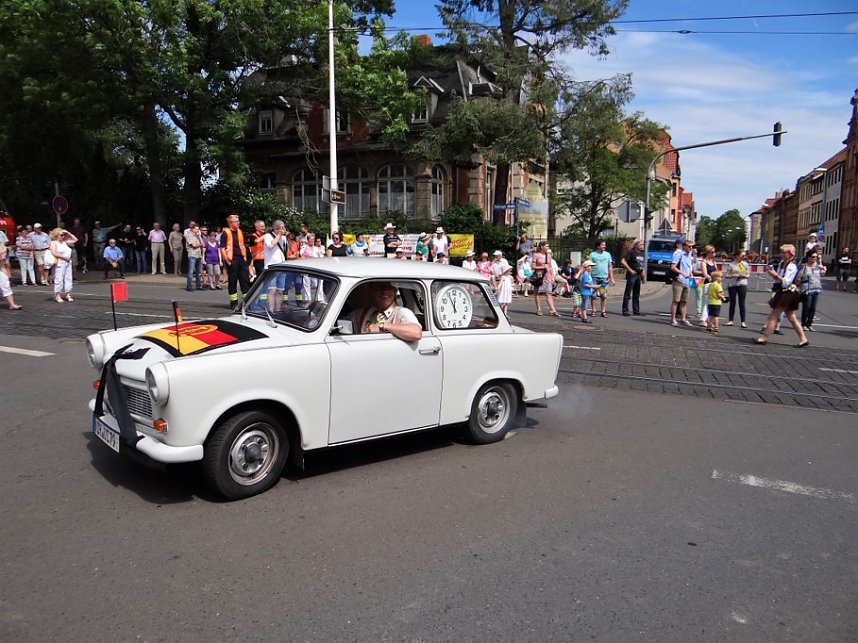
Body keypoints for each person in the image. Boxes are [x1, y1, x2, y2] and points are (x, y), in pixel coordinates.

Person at [756, 244, 809, 348]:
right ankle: (803, 339)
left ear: (789, 254)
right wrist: (774, 275)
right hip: (784, 291)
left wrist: (775, 275)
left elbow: (786, 282)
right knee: (791, 317)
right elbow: (780, 280)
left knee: (774, 314)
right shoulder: (782, 264)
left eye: (783, 252)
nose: (781, 254)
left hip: (787, 292)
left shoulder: (791, 266)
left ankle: (764, 337)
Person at [348, 281, 422, 341]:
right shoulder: (361, 314)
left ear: (395, 290)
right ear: (371, 291)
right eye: (379, 287)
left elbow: (416, 333)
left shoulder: (401, 312)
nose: (385, 291)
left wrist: (382, 326)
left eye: (389, 287)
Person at [222, 214, 253, 306]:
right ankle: (233, 303)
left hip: (241, 259)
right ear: (231, 223)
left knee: (245, 280)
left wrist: (245, 259)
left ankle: (246, 302)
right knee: (233, 281)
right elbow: (222, 248)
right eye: (236, 221)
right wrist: (227, 262)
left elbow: (242, 246)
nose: (238, 223)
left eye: (238, 221)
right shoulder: (226, 233)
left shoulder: (240, 232)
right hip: (232, 260)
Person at [262, 220, 287, 311]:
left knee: (280, 291)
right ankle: (271, 310)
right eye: (282, 228)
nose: (284, 229)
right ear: (276, 228)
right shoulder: (268, 236)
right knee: (272, 290)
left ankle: (278, 310)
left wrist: (285, 237)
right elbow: (271, 245)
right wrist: (279, 235)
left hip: (281, 266)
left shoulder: (283, 238)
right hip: (272, 266)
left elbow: (287, 250)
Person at [798, 249, 825, 331]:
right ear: (808, 257)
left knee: (813, 308)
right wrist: (798, 285)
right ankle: (803, 324)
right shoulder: (804, 267)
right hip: (807, 289)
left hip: (816, 289)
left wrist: (823, 271)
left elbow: (822, 274)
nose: (814, 259)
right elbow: (799, 277)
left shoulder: (818, 266)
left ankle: (809, 324)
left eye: (816, 257)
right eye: (813, 257)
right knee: (807, 307)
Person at [670, 239, 694, 326]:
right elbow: (673, 267)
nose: (691, 248)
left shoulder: (690, 255)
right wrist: (682, 273)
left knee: (684, 301)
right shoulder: (678, 254)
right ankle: (673, 319)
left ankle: (683, 318)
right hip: (679, 280)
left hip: (687, 281)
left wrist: (691, 275)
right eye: (689, 246)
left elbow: (690, 267)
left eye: (692, 246)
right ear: (684, 246)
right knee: (676, 300)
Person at [49, 228, 77, 303]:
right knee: (59, 278)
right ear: (56, 235)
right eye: (61, 235)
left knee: (68, 278)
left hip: (68, 262)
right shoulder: (53, 243)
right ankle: (57, 294)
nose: (63, 236)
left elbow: (75, 240)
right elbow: (54, 253)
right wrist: (63, 257)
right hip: (60, 261)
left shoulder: (65, 242)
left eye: (63, 235)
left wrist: (68, 232)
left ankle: (68, 293)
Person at [531, 240, 558, 316]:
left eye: (548, 246)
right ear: (541, 246)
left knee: (549, 293)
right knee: (538, 293)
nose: (547, 248)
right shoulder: (536, 255)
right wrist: (542, 267)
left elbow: (550, 267)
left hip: (547, 276)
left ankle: (552, 310)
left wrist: (552, 277)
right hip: (539, 276)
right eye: (546, 246)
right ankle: (539, 309)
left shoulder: (548, 255)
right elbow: (533, 266)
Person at [723, 249, 749, 328]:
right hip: (733, 285)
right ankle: (730, 320)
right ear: (737, 256)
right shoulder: (731, 265)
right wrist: (735, 275)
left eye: (744, 256)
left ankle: (743, 321)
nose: (743, 257)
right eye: (742, 255)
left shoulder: (745, 264)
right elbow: (726, 276)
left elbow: (748, 275)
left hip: (742, 284)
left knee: (742, 303)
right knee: (732, 303)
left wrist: (744, 276)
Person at [588, 239, 614, 317]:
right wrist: (588, 276)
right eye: (602, 245)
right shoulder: (592, 254)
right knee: (593, 295)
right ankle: (593, 310)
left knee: (603, 295)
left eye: (604, 245)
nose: (604, 246)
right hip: (594, 278)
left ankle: (603, 311)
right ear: (598, 246)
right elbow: (589, 266)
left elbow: (610, 266)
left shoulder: (607, 255)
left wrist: (611, 277)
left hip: (604, 278)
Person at [695, 245, 718, 326]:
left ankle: (709, 320)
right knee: (708, 302)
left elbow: (717, 272)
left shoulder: (714, 262)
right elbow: (705, 274)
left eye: (714, 252)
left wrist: (717, 280)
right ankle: (702, 319)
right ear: (708, 253)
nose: (714, 254)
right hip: (708, 284)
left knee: (713, 303)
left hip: (715, 284)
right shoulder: (704, 262)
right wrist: (712, 278)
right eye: (712, 252)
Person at [620, 238, 644, 316]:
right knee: (628, 293)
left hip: (639, 275)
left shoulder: (641, 253)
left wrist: (642, 271)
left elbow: (641, 263)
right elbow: (623, 261)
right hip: (632, 275)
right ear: (636, 245)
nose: (641, 246)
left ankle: (636, 310)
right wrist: (630, 270)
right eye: (640, 244)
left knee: (636, 293)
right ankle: (625, 310)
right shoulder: (631, 252)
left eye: (642, 244)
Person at [0, 240, 22, 309]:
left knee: (6, 285)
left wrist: (3, 256)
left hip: (1, 269)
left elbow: (3, 254)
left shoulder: (1, 244)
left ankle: (12, 305)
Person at [491, 250, 513, 317]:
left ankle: (505, 314)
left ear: (500, 255)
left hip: (503, 277)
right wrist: (496, 274)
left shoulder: (504, 261)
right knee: (492, 277)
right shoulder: (493, 261)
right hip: (498, 275)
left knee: (505, 303)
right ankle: (499, 313)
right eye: (495, 255)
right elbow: (492, 269)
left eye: (497, 255)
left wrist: (512, 286)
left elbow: (506, 268)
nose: (495, 256)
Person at [184, 222, 204, 291]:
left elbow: (203, 244)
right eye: (197, 229)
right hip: (192, 255)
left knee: (199, 272)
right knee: (191, 272)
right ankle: (189, 286)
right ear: (192, 229)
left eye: (198, 229)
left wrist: (199, 237)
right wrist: (200, 244)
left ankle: (199, 286)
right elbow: (193, 245)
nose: (198, 230)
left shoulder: (198, 236)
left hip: (198, 255)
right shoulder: (189, 235)